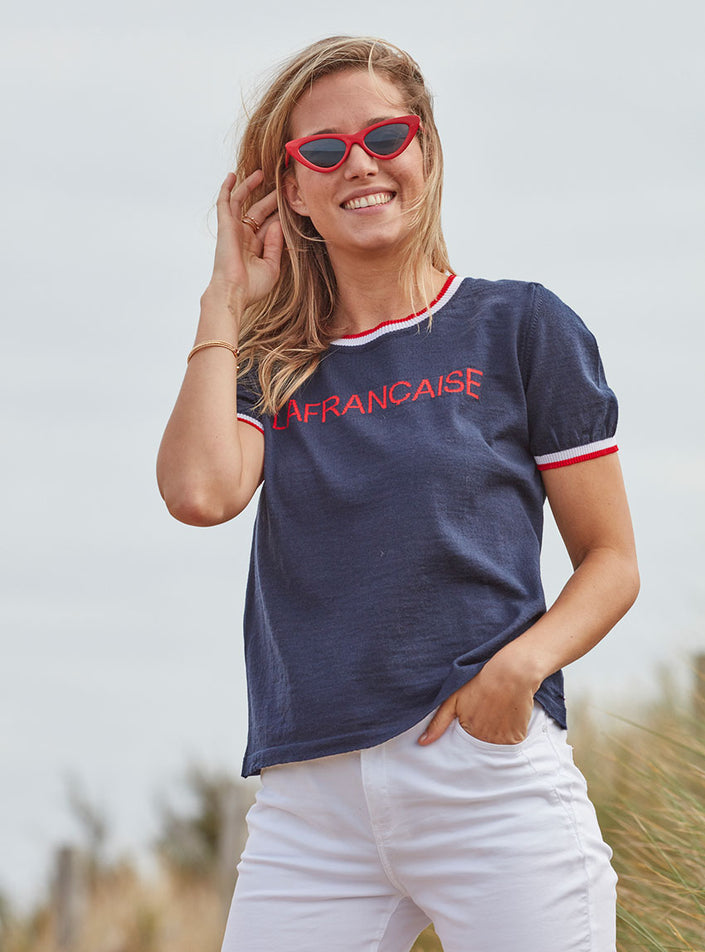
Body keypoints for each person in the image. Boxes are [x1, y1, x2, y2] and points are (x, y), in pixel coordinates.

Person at [157, 35, 639, 952]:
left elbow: (611, 561)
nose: (360, 164)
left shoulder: (520, 326)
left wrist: (518, 673)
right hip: (309, 803)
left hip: (484, 776)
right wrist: (225, 300)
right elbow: (200, 493)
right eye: (324, 150)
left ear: (424, 149)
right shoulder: (271, 361)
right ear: (291, 190)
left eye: (385, 136)